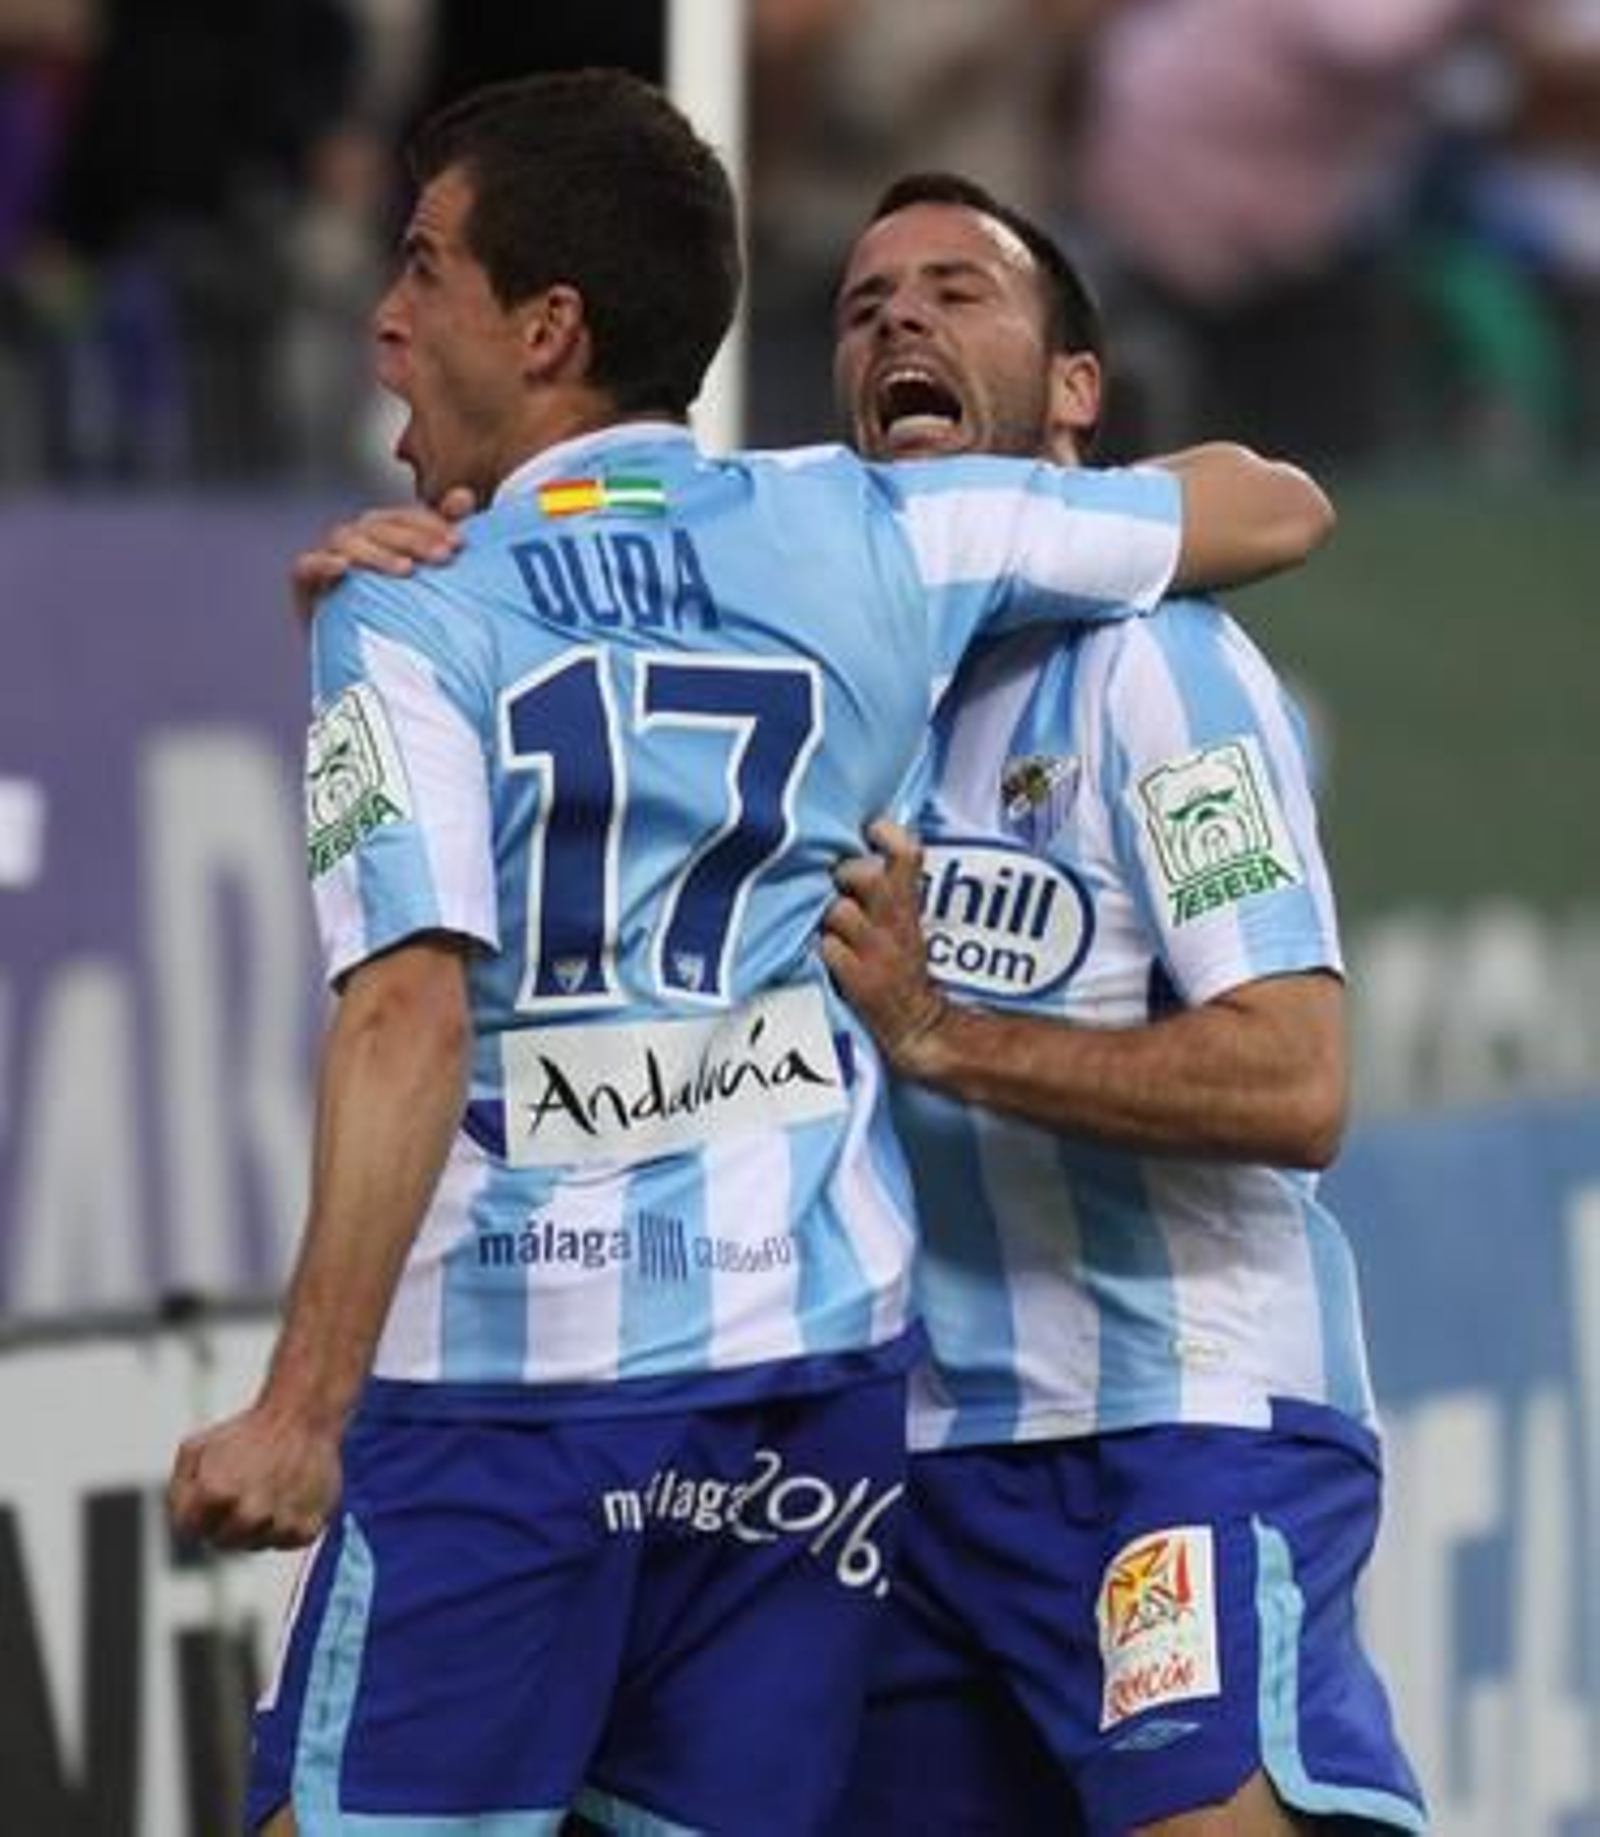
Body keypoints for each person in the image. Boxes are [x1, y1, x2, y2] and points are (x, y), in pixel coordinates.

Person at [166, 71, 1332, 1837]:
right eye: (867, 301)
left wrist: (299, 1408)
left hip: (511, 1398)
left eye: (422, 269)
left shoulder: (408, 607)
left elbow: (405, 1007)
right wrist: (1063, 517)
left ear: (550, 325)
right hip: (809, 1399)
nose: (384, 318)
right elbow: (1271, 503)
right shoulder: (869, 534)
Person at [819, 176, 1425, 1833]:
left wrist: (948, 1036)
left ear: (1075, 390)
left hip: (1176, 1416)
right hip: (919, 1463)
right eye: (865, 308)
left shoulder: (1163, 665)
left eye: (959, 290)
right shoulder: (836, 697)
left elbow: (1295, 1077)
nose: (902, 325)